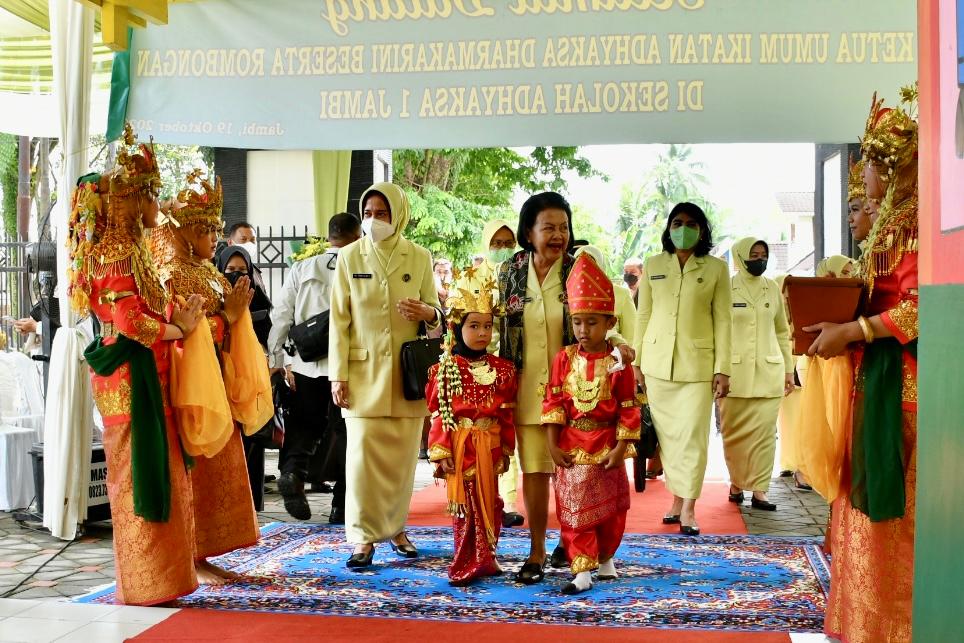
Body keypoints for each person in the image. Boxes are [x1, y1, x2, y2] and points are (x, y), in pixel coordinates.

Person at [65, 126, 205, 604]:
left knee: (153, 468)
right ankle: (147, 585)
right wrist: (179, 330)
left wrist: (176, 319)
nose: (157, 203)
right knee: (137, 474)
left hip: (140, 376)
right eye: (152, 193)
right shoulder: (119, 252)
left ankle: (161, 580)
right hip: (131, 379)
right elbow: (131, 323)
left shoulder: (130, 250)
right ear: (133, 199)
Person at [807, 87, 919, 643]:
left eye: (869, 162)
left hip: (905, 394)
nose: (864, 175)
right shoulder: (893, 223)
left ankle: (895, 626)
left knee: (895, 513)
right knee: (863, 507)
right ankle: (865, 623)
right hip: (875, 380)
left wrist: (852, 329)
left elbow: (923, 307)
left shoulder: (918, 224)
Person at [496, 191, 634, 584]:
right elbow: (493, 328)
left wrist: (621, 345)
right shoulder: (508, 272)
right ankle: (537, 550)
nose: (558, 235)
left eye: (564, 227)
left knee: (575, 474)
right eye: (549, 227)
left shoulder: (579, 268)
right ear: (529, 231)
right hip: (524, 388)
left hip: (576, 391)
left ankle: (577, 544)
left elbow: (600, 320)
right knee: (536, 470)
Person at [151, 171, 264, 584]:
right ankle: (193, 558)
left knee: (219, 469)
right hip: (188, 387)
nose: (216, 237)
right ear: (187, 232)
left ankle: (207, 553)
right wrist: (227, 320)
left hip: (215, 378)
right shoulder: (170, 274)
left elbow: (221, 322)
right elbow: (183, 333)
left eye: (217, 228)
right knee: (194, 470)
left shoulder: (207, 271)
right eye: (208, 229)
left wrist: (233, 320)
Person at [329, 182, 442, 568]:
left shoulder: (420, 257)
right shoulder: (348, 257)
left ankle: (396, 529)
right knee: (360, 464)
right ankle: (362, 538)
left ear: (399, 215)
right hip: (361, 378)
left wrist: (426, 313)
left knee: (401, 463)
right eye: (370, 213)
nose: (374, 220)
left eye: (383, 213)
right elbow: (338, 321)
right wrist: (337, 375)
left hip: (407, 379)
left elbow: (439, 317)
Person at [542, 253, 639, 595]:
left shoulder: (618, 363)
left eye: (592, 322)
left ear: (610, 322)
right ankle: (581, 569)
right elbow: (553, 402)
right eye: (577, 322)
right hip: (571, 447)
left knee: (611, 511)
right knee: (573, 511)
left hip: (607, 446)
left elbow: (628, 407)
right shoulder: (563, 359)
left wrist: (621, 447)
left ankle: (607, 557)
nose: (583, 330)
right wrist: (552, 444)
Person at [633, 202, 731, 536]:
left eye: (691, 223)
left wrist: (723, 368)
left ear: (702, 229)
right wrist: (637, 363)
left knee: (692, 438)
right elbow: (643, 315)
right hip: (657, 365)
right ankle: (675, 501)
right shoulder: (653, 264)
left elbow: (724, 320)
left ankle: (689, 507)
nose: (683, 228)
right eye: (677, 222)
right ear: (668, 227)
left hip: (698, 366)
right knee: (669, 439)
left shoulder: (716, 269)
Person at [267, 213, 361, 524]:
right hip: (349, 366)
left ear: (330, 236)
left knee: (303, 426)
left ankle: (293, 472)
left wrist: (276, 358)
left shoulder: (302, 267)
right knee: (348, 435)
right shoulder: (362, 268)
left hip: (307, 364)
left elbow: (281, 313)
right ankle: (341, 504)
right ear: (357, 234)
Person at [426, 279, 517, 586]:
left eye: (488, 327)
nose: (482, 334)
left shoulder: (504, 369)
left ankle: (487, 557)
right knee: (465, 507)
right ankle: (465, 561)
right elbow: (440, 414)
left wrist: (506, 448)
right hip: (461, 447)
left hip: (489, 447)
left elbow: (506, 415)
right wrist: (441, 452)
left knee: (491, 503)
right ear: (456, 328)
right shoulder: (445, 368)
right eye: (474, 326)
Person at [452, 219, 524, 528]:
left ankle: (506, 501)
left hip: (514, 366)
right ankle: (474, 496)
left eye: (509, 243)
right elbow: (455, 322)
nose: (503, 249)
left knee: (508, 430)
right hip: (477, 368)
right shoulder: (470, 279)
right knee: (480, 432)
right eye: (497, 243)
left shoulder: (523, 279)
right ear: (486, 244)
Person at [720, 238, 794, 511]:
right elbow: (719, 331)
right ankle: (737, 484)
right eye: (754, 254)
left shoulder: (772, 287)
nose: (759, 259)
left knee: (765, 434)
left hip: (768, 372)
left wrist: (788, 370)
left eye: (764, 254)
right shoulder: (727, 287)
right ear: (741, 257)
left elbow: (782, 331)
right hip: (734, 375)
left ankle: (760, 490)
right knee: (734, 433)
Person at [215, 245, 273, 511]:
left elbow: (269, 340)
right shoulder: (213, 300)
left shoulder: (258, 300)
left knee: (252, 440)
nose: (236, 277)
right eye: (230, 271)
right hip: (219, 378)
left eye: (242, 271)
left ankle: (251, 504)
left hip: (250, 383)